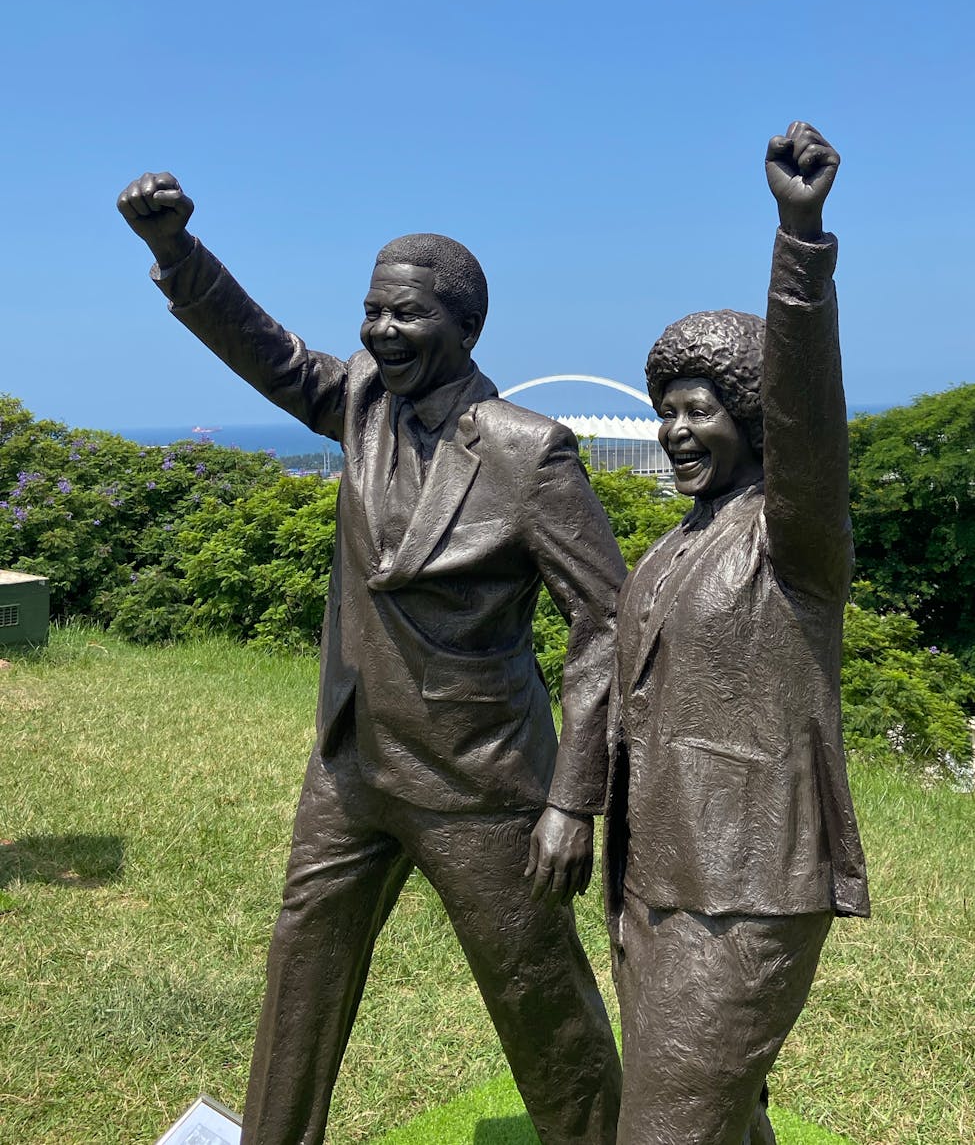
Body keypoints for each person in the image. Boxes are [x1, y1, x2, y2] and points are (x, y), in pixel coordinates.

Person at [117, 175, 625, 1145]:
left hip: (480, 784)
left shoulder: (532, 454)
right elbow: (265, 352)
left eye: (406, 313)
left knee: (542, 1009)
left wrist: (572, 798)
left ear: (464, 326)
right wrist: (180, 253)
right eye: (371, 312)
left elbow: (605, 621)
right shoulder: (356, 400)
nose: (381, 332)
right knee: (300, 974)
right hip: (352, 765)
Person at [604, 123, 870, 1145]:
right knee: (718, 1116)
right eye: (665, 409)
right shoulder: (678, 543)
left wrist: (797, 240)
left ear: (752, 417)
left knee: (667, 1127)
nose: (675, 429)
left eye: (701, 409)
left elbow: (812, 417)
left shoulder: (793, 535)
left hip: (746, 881)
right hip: (655, 871)